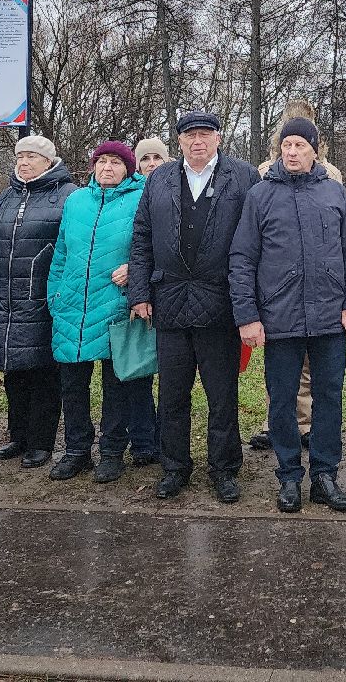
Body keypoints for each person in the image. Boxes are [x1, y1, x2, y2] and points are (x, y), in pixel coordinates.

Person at [231, 117, 346, 513]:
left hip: (329, 319)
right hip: (279, 318)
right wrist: (247, 315)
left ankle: (325, 475)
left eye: (300, 146)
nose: (292, 152)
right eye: (286, 145)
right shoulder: (260, 196)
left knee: (328, 397)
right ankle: (289, 475)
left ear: (315, 149)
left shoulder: (334, 193)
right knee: (282, 400)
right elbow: (242, 259)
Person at [128, 111, 259, 502]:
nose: (197, 141)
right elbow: (141, 238)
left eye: (204, 134)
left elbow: (255, 238)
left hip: (220, 302)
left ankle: (224, 468)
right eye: (189, 135)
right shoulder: (160, 179)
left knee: (222, 395)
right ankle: (174, 467)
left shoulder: (243, 177)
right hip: (169, 300)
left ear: (218, 138)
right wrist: (139, 293)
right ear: (180, 140)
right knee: (172, 394)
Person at [0, 136, 76, 470]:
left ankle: (41, 442)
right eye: (19, 157)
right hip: (4, 299)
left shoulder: (67, 195)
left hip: (44, 298)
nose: (23, 162)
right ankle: (18, 435)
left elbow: (73, 248)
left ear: (49, 161)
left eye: (31, 157)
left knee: (43, 371)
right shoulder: (6, 196)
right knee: (13, 371)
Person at [48, 141, 152, 483]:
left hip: (116, 303)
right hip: (72, 306)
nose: (107, 168)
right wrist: (56, 294)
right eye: (101, 161)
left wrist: (135, 271)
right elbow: (61, 251)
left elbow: (151, 247)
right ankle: (76, 450)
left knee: (116, 386)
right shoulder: (76, 200)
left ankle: (111, 452)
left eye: (115, 163)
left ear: (129, 168)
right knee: (72, 385)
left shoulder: (141, 200)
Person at [250, 99, 345, 453]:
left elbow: (343, 237)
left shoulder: (330, 177)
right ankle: (283, 427)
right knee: (282, 374)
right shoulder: (264, 175)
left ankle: (307, 428)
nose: (293, 149)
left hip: (321, 290)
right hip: (282, 290)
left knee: (316, 374)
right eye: (287, 138)